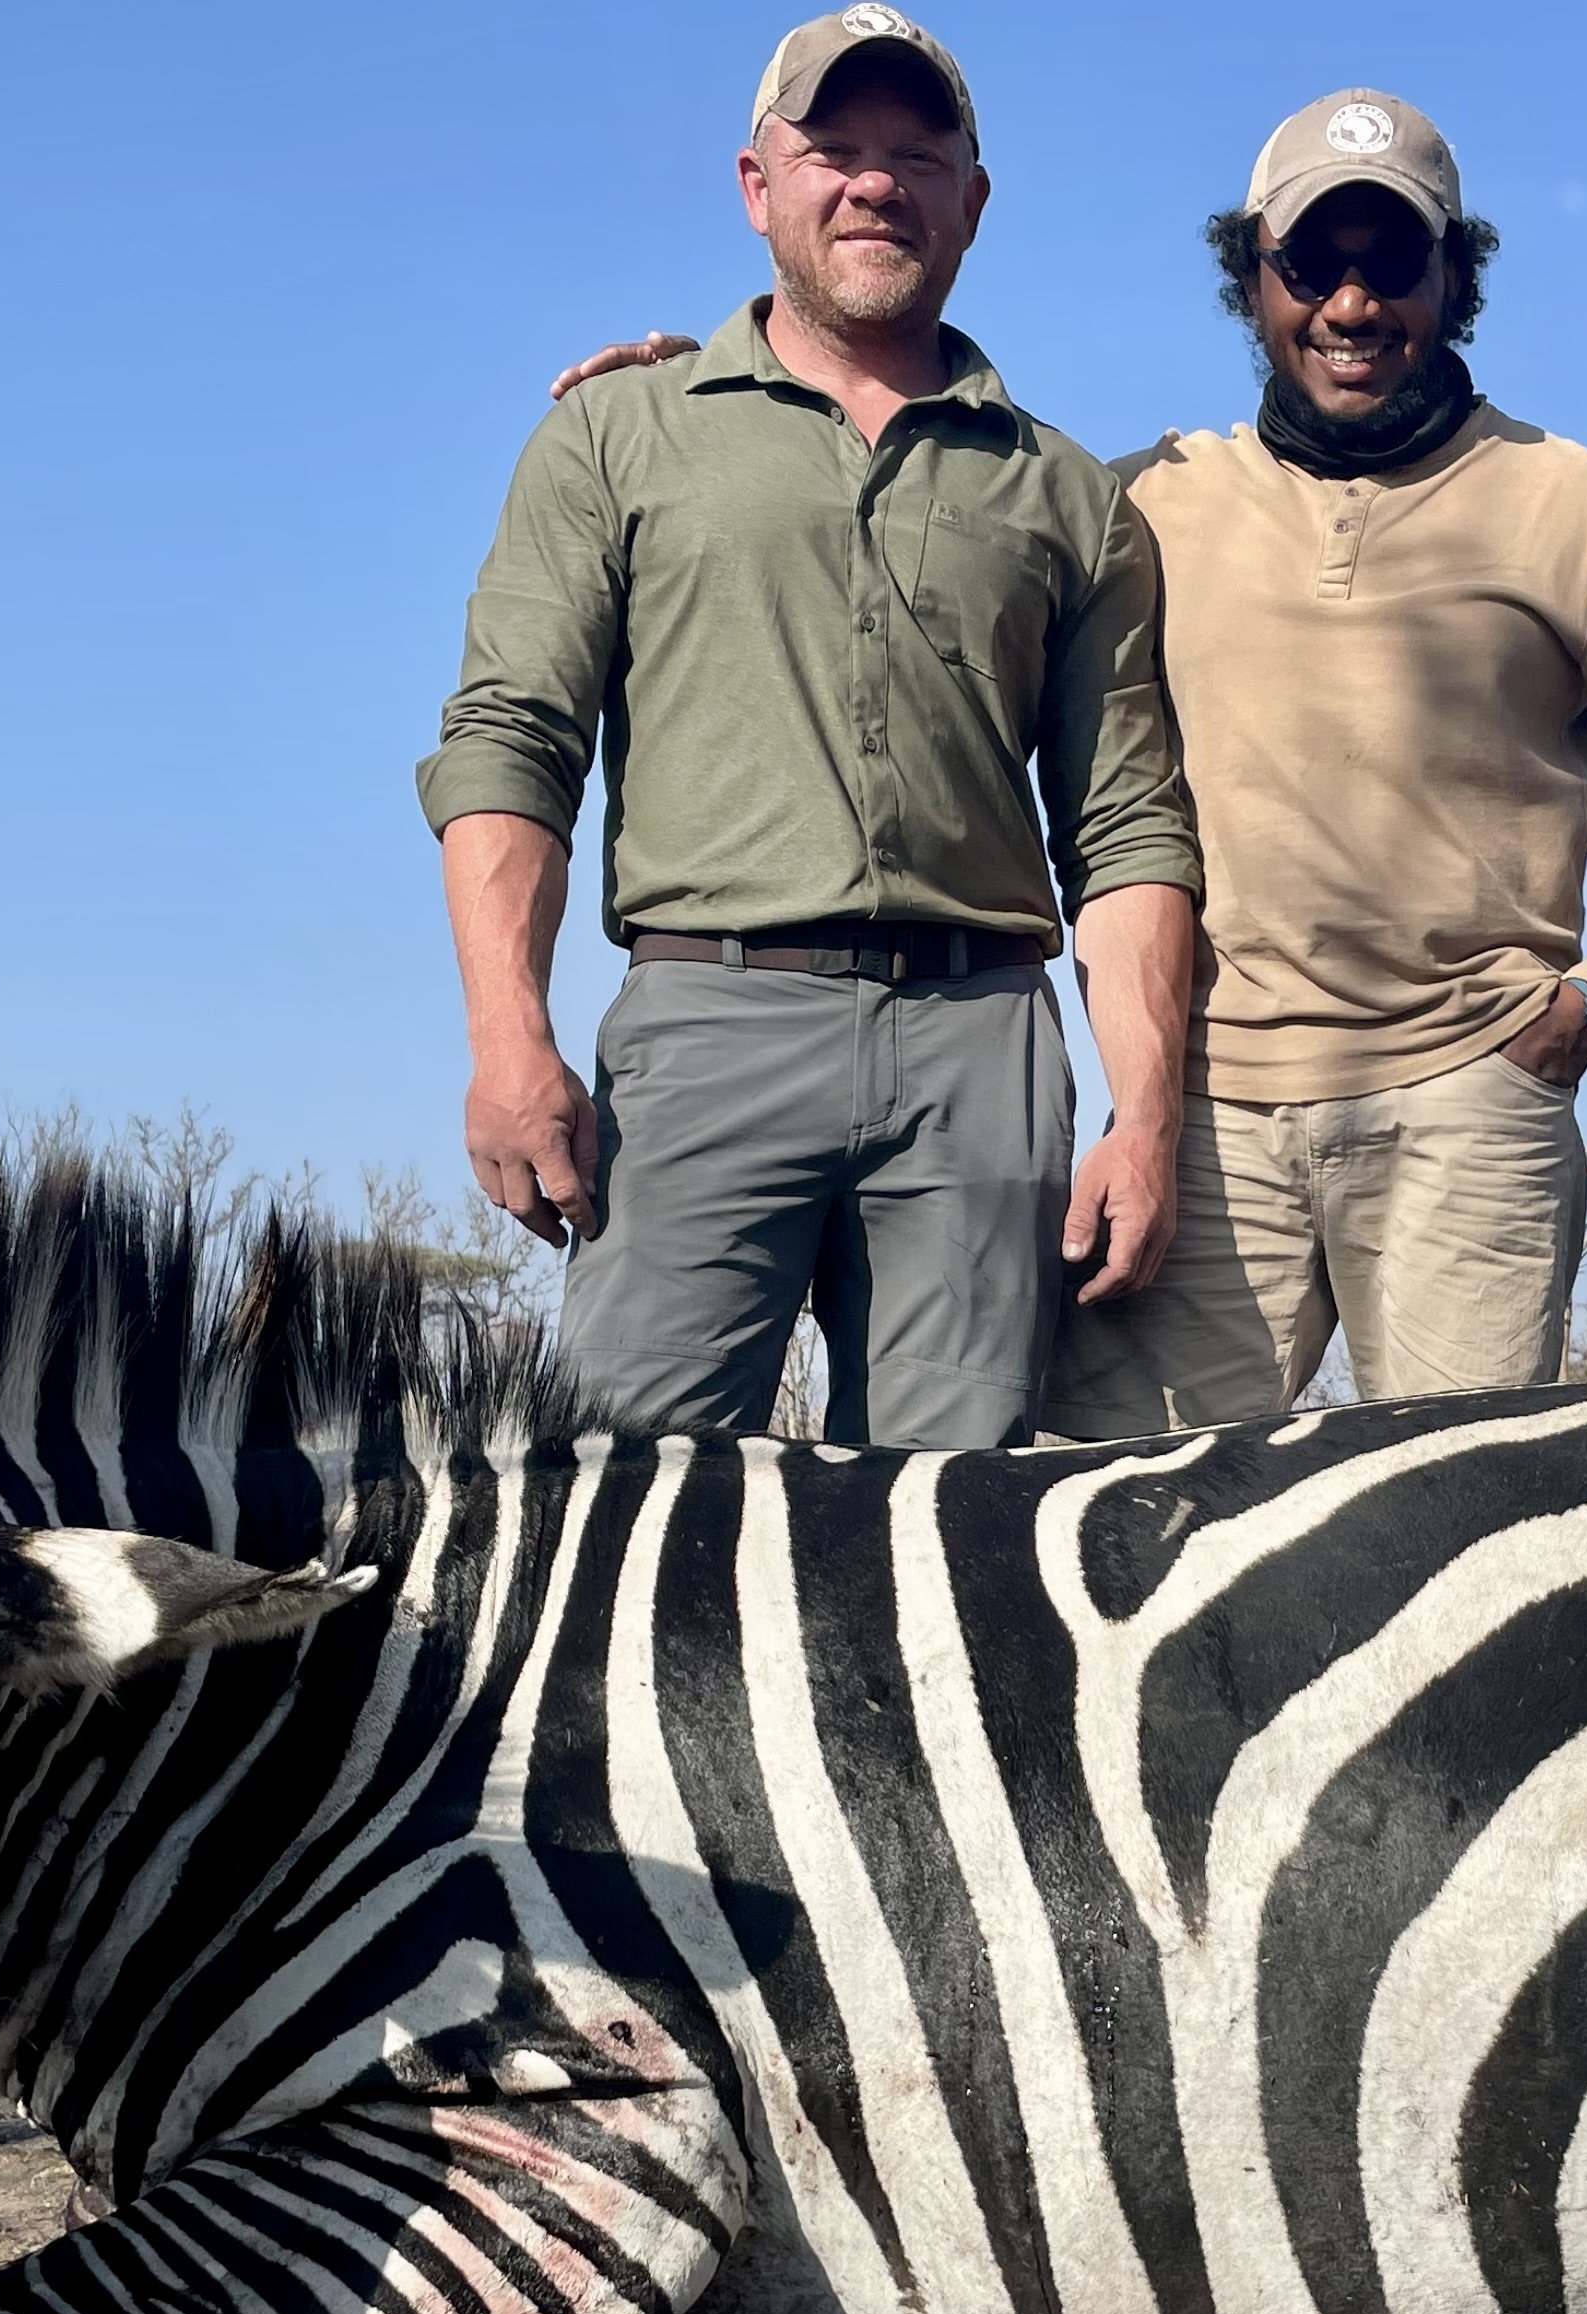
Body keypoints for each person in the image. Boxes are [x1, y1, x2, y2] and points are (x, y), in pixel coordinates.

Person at [563, 87, 1587, 1431]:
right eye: (1311, 265)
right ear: (1254, 280)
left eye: (1393, 262)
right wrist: (707, 403)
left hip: (1470, 1112)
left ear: (1456, 278)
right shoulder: (1143, 499)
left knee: (1448, 1568)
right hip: (1203, 1129)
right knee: (1119, 1544)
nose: (1352, 305)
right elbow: (898, 516)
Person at [422, 9, 1200, 1448]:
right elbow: (513, 739)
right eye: (833, 148)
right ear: (756, 182)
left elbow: (1129, 828)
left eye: (919, 154)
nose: (875, 183)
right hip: (708, 1026)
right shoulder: (618, 431)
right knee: (625, 1505)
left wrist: (1143, 1120)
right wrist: (507, 1036)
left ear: (975, 196)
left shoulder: (1070, 498)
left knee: (955, 1534)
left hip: (983, 1047)